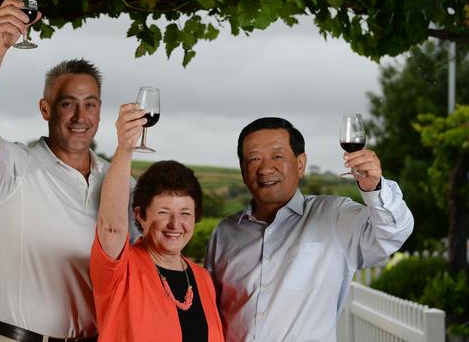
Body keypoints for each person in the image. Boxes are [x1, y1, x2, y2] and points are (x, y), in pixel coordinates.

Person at [0, 0, 135, 342]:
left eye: (90, 105)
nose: (80, 118)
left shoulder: (122, 182)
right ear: (45, 109)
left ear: (100, 112)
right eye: (68, 104)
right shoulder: (14, 168)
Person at [204, 117, 414, 342]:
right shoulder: (224, 233)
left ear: (301, 163)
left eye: (277, 156)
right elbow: (207, 308)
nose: (265, 169)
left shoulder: (334, 217)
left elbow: (393, 231)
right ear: (243, 170)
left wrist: (374, 187)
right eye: (254, 159)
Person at [89, 103, 225, 342]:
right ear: (140, 215)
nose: (175, 224)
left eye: (185, 213)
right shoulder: (121, 268)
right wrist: (125, 148)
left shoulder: (202, 279)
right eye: (163, 212)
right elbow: (111, 228)